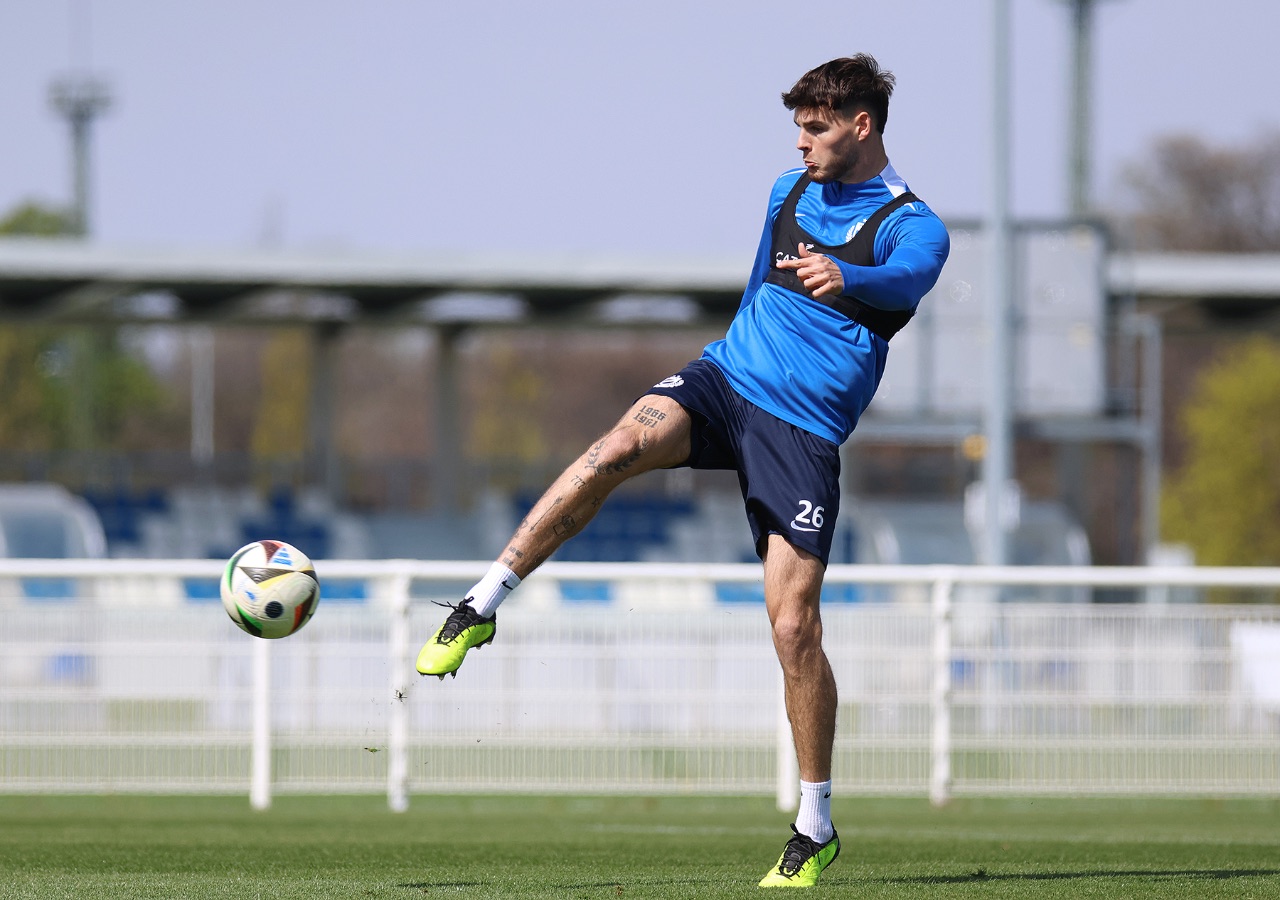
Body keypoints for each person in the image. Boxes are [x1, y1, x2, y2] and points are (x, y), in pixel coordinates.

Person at [416, 53, 950, 888]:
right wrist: (724, 357)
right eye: (797, 128)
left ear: (862, 125)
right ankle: (479, 605)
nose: (801, 142)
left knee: (793, 629)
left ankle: (815, 826)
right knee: (613, 450)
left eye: (816, 128)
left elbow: (908, 278)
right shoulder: (787, 191)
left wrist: (849, 274)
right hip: (725, 380)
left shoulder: (911, 224)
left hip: (802, 431)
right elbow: (756, 288)